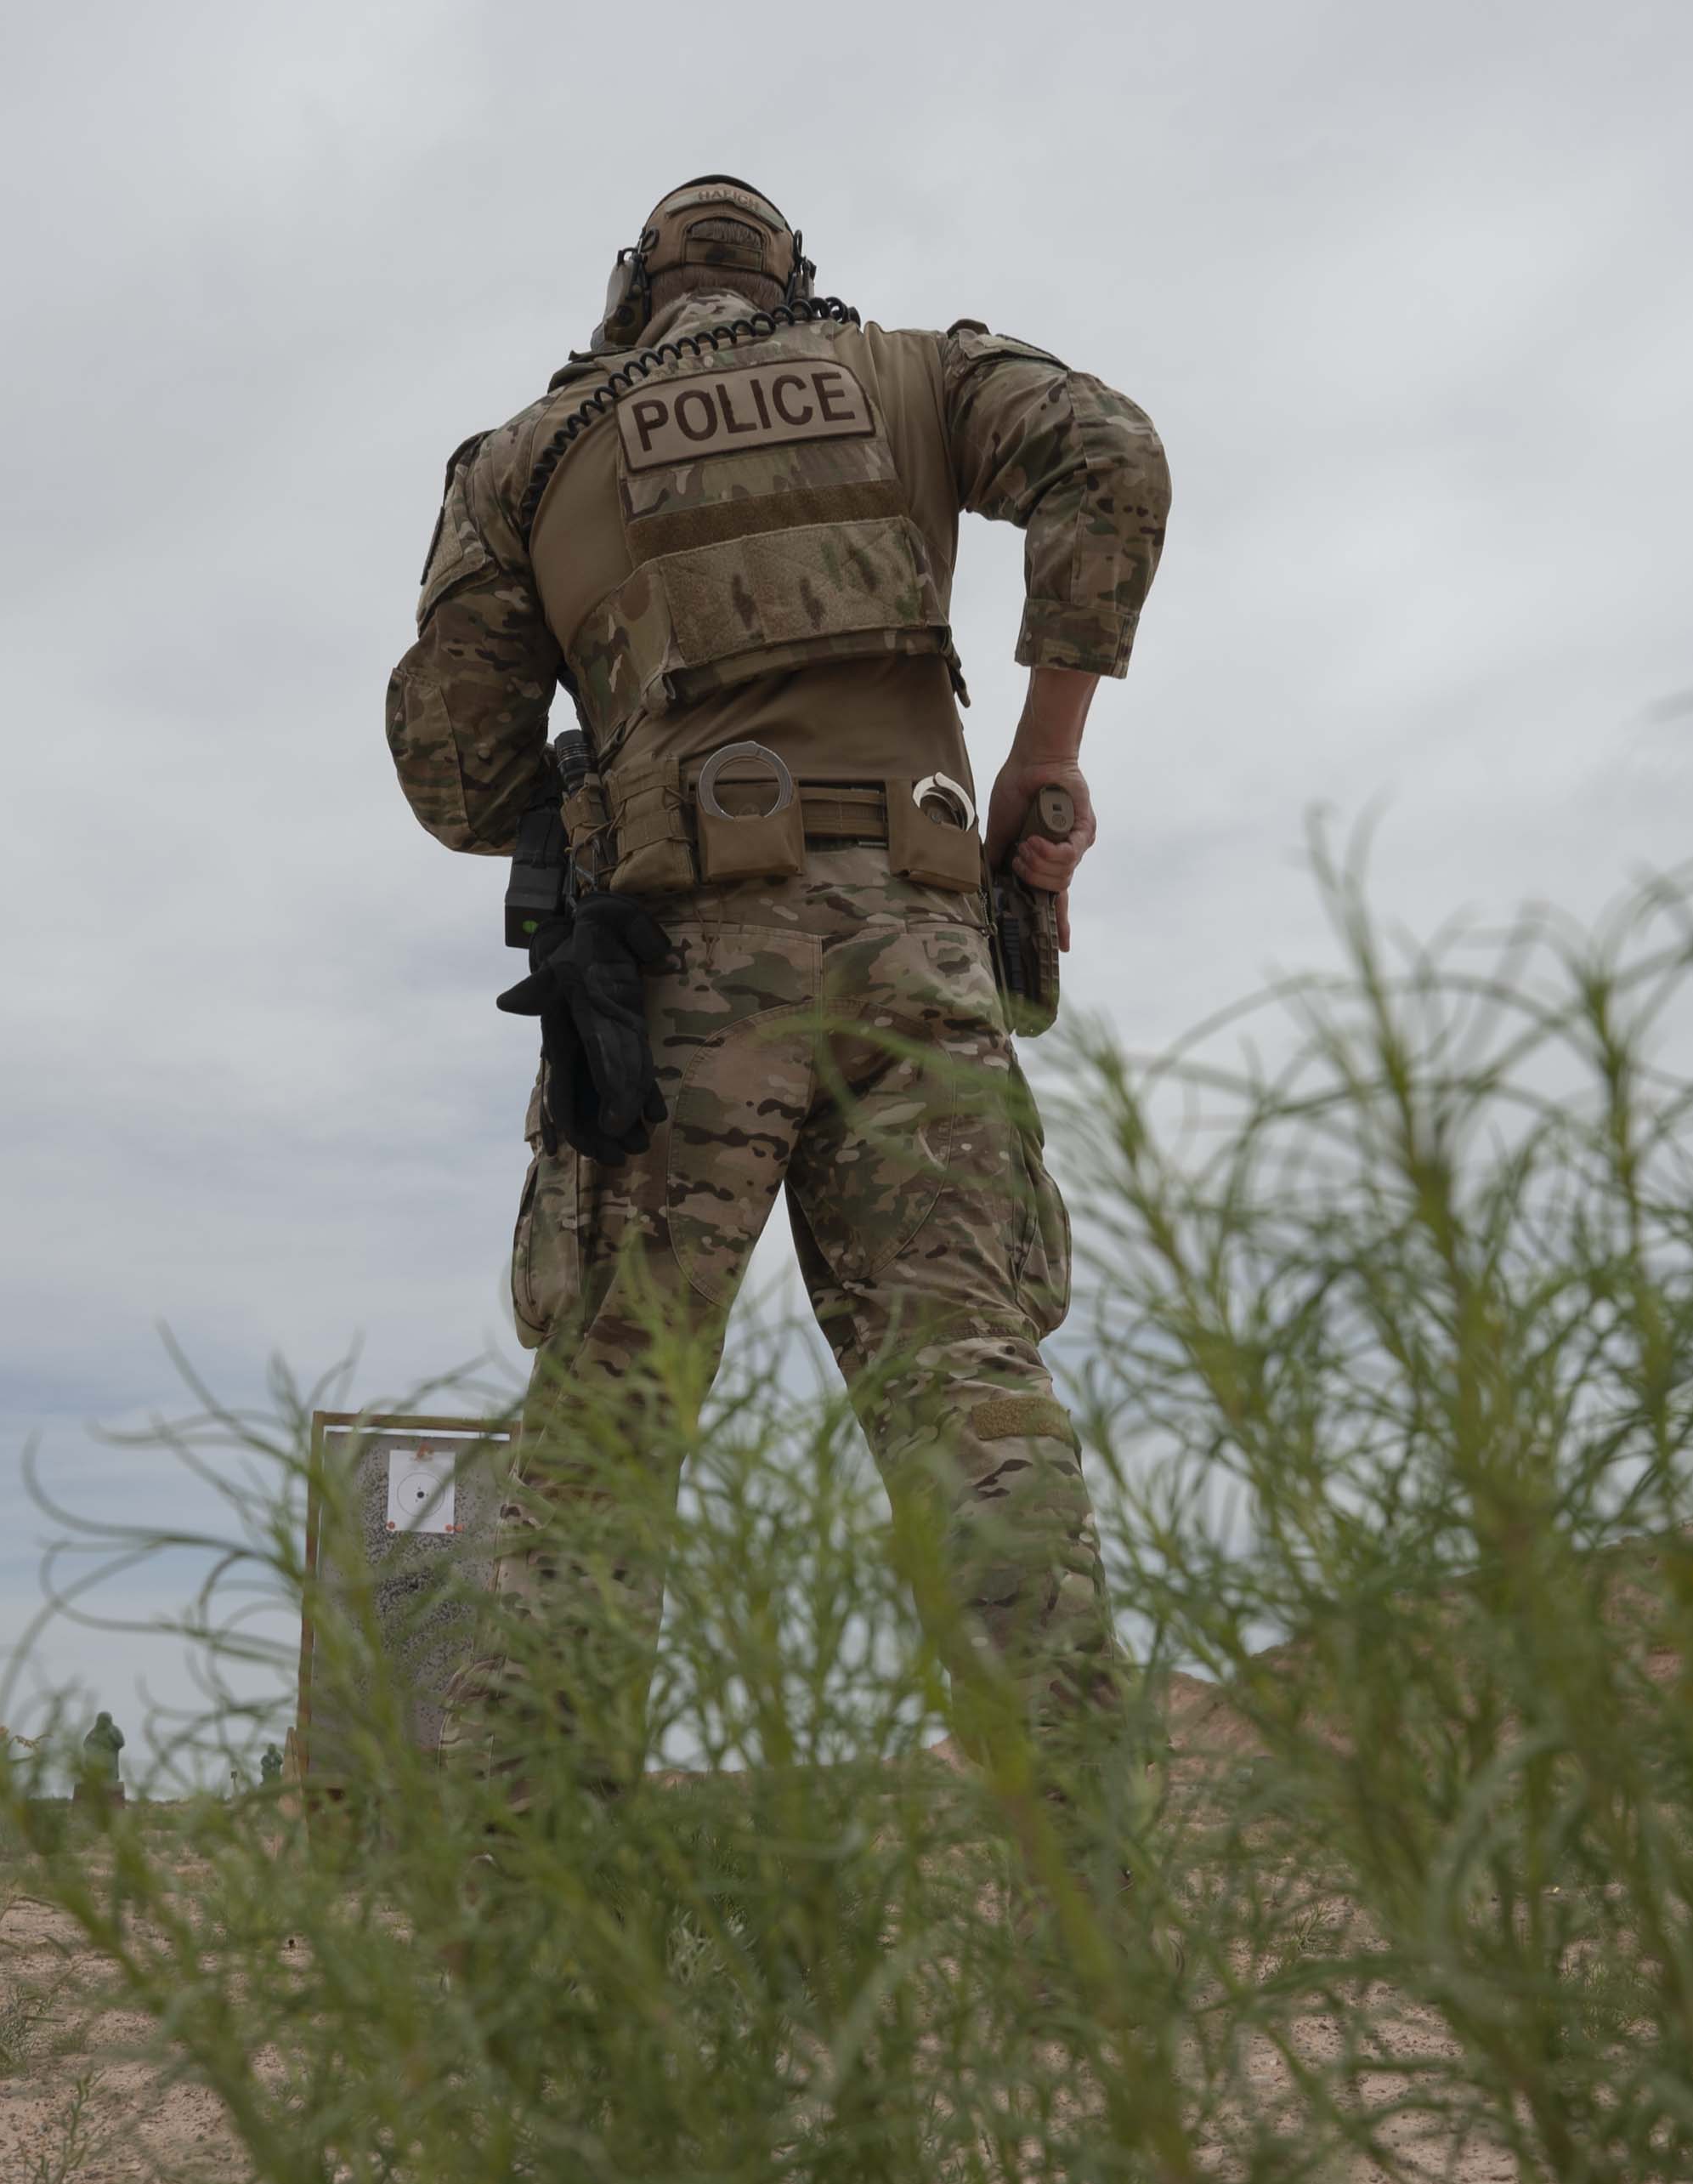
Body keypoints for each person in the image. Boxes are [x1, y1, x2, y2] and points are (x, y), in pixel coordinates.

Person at [383, 175, 1170, 1778]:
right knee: (968, 1389)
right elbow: (1115, 454)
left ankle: (539, 1915)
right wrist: (1042, 759)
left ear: (631, 294)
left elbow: (456, 777)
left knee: (609, 1429)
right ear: (790, 280)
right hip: (920, 947)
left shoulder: (528, 460)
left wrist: (604, 791)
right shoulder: (914, 377)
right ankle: (1086, 1872)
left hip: (677, 973)